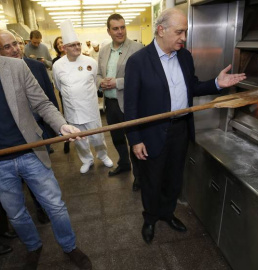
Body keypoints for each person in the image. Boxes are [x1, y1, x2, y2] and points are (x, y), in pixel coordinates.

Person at [124, 8, 246, 244]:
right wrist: (135, 139)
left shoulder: (184, 56)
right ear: (161, 30)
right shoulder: (138, 62)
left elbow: (193, 87)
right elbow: (131, 106)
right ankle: (150, 218)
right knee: (152, 179)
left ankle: (167, 213)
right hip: (151, 133)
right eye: (179, 32)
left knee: (173, 177)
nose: (183, 37)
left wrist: (217, 84)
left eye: (185, 32)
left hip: (180, 130)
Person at [0, 54, 92, 269]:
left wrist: (62, 125)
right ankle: (33, 246)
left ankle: (69, 246)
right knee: (15, 214)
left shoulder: (15, 66)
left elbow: (41, 102)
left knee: (55, 206)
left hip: (30, 151)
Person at [0, 30, 61, 224]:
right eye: (7, 46)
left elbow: (47, 101)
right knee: (16, 205)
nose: (15, 49)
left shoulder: (36, 66)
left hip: (36, 135)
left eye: (16, 44)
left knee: (49, 195)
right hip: (7, 150)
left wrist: (58, 126)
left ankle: (41, 207)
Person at [53, 19, 113, 174]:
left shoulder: (90, 62)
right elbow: (59, 86)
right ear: (65, 48)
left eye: (78, 44)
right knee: (80, 141)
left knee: (98, 137)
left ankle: (103, 155)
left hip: (90, 108)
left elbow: (94, 81)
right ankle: (87, 160)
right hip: (72, 110)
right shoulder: (57, 65)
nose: (77, 47)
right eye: (72, 45)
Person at [96, 14, 143, 191]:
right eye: (115, 28)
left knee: (134, 139)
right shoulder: (104, 51)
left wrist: (117, 82)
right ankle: (124, 164)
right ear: (109, 31)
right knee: (116, 137)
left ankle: (139, 175)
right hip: (111, 103)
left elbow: (141, 77)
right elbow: (98, 74)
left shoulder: (137, 48)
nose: (120, 31)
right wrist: (100, 82)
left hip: (130, 103)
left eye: (122, 27)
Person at [52, 36, 70, 154]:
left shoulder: (73, 57)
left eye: (62, 42)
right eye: (58, 43)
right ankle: (67, 139)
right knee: (67, 116)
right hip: (64, 93)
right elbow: (57, 83)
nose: (60, 45)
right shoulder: (55, 61)